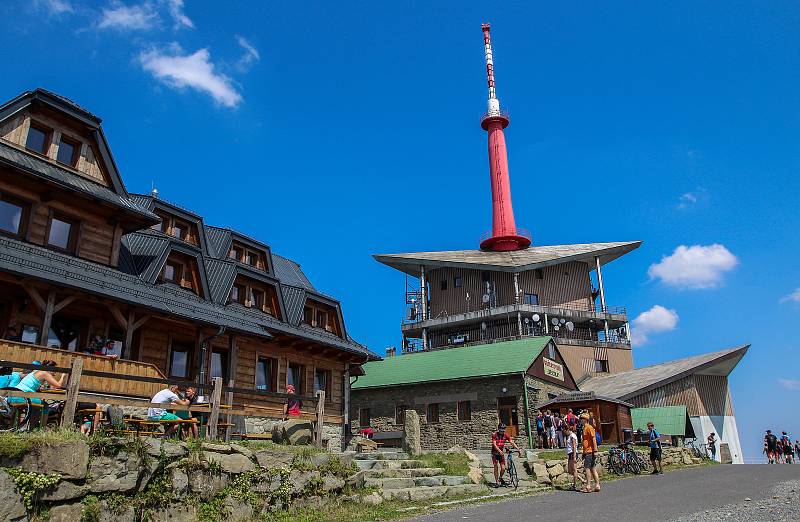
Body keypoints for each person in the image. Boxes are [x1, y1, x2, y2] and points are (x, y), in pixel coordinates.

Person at [491, 422, 521, 488]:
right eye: (501, 429)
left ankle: (500, 478)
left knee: (503, 468)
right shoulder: (495, 435)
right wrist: (499, 450)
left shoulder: (506, 435)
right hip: (495, 453)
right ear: (499, 429)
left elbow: (511, 442)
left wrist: (518, 449)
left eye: (503, 429)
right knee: (495, 466)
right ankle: (497, 482)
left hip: (501, 453)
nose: (502, 431)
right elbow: (494, 444)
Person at [581, 413, 600, 492]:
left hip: (590, 451)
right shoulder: (584, 428)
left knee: (587, 468)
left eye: (582, 418)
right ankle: (597, 485)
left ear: (585, 420)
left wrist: (595, 450)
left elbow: (593, 439)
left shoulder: (589, 427)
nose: (581, 420)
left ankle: (588, 486)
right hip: (587, 451)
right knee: (592, 468)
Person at [564, 424, 586, 491]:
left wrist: (574, 457)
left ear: (567, 430)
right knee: (570, 470)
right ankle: (582, 480)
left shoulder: (572, 436)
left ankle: (574, 485)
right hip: (570, 454)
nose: (564, 432)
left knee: (574, 470)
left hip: (573, 453)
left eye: (565, 431)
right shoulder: (570, 436)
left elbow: (574, 446)